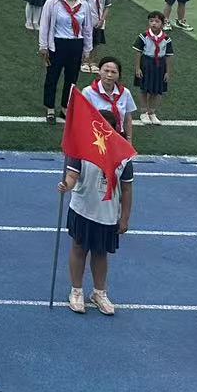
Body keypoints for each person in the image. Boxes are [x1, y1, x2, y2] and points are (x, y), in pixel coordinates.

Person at [59, 110, 134, 316]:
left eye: (107, 127)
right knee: (79, 248)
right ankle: (76, 291)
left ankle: (99, 293)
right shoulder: (81, 147)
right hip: (82, 209)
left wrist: (125, 217)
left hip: (107, 213)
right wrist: (66, 185)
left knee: (101, 253)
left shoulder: (123, 156)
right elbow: (73, 175)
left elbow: (126, 189)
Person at [39, 0, 93, 123]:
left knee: (72, 78)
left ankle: (65, 107)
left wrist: (87, 49)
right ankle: (50, 107)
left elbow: (87, 28)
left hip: (76, 44)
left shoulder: (84, 5)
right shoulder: (53, 2)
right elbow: (45, 24)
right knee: (52, 77)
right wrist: (43, 46)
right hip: (57, 44)